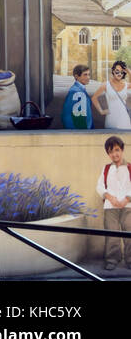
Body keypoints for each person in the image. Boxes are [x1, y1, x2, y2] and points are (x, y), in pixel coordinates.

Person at [95, 135, 131, 271]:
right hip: (110, 207)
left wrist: (126, 199)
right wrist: (110, 197)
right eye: (111, 152)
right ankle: (112, 259)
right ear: (108, 154)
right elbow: (99, 186)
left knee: (129, 234)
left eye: (116, 150)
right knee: (112, 234)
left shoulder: (129, 168)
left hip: (128, 206)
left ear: (122, 150)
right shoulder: (105, 169)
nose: (114, 154)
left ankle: (130, 259)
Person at [92, 61, 131, 130]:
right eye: (117, 71)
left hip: (124, 118)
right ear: (113, 71)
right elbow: (94, 98)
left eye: (122, 72)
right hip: (111, 118)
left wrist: (129, 72)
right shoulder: (106, 85)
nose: (119, 74)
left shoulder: (126, 85)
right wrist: (101, 111)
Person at [62, 64, 94, 129]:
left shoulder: (77, 89)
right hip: (81, 131)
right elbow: (78, 116)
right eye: (85, 75)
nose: (88, 77)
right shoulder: (77, 92)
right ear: (76, 76)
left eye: (89, 74)